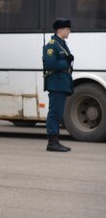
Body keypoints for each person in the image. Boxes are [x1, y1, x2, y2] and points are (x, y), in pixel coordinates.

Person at [43, 18, 74, 152]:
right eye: (67, 29)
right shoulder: (51, 45)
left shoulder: (62, 43)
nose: (69, 31)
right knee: (54, 113)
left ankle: (55, 141)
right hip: (56, 83)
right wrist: (66, 62)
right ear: (60, 30)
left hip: (62, 83)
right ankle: (52, 142)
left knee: (58, 113)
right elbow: (50, 64)